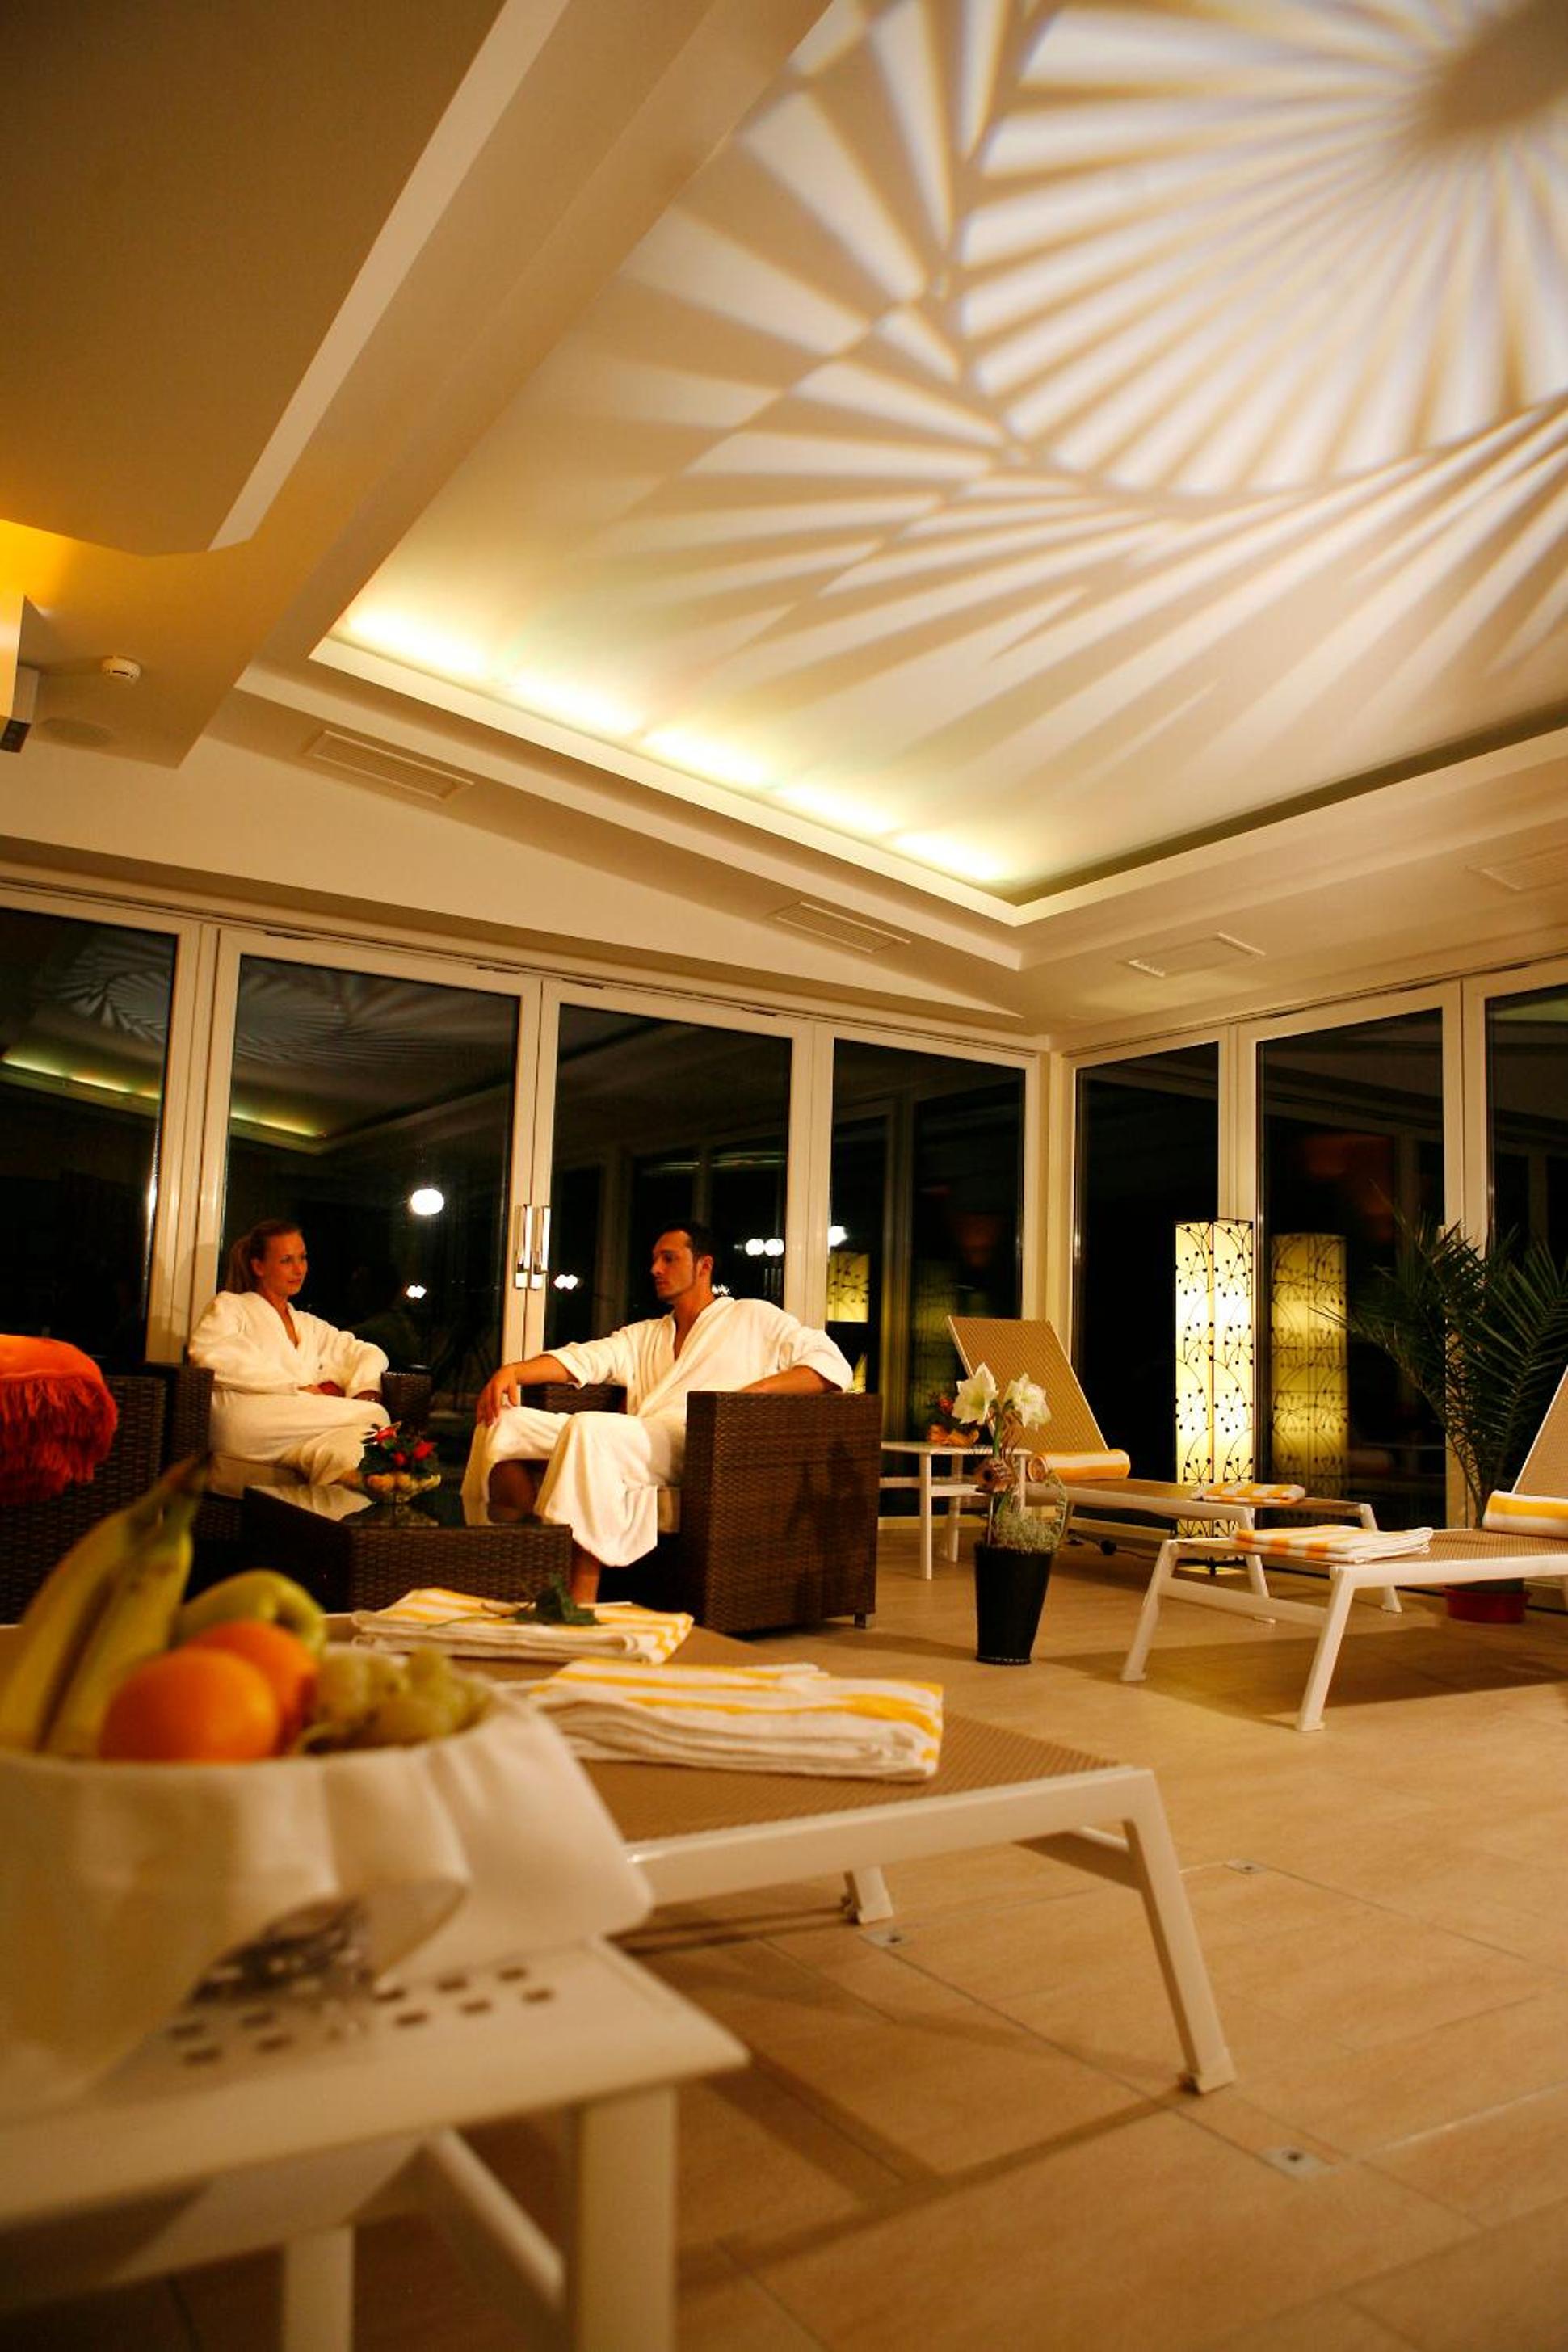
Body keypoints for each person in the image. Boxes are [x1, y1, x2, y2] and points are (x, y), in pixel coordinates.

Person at [463, 1223, 851, 1601]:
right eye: (654, 1259)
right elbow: (585, 1359)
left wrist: (753, 1393)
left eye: (669, 1258)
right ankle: (514, 1564)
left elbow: (831, 1364)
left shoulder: (753, 1318)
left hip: (697, 1443)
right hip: (639, 1439)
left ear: (704, 1266)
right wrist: (513, 1372)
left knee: (590, 1429)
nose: (655, 1269)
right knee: (503, 1422)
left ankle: (580, 1596)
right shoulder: (647, 1334)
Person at [188, 1218, 389, 1492]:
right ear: (259, 1266)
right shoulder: (231, 1306)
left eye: (302, 1258)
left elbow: (366, 1352)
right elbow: (209, 1354)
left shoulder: (308, 1324)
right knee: (375, 1415)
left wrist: (365, 1389)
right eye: (286, 1260)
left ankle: (327, 1516)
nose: (299, 1269)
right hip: (248, 1420)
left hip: (300, 1426)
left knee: (351, 1450)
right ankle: (367, 1416)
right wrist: (293, 1386)